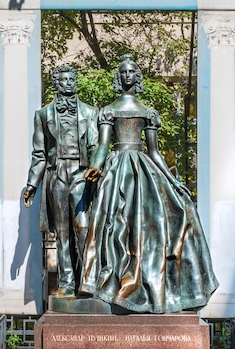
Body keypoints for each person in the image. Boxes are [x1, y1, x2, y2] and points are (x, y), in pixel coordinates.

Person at [81, 54, 218, 313]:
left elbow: (154, 152)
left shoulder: (148, 113)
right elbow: (102, 146)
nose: (127, 76)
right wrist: (96, 167)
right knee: (114, 225)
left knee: (177, 211)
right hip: (116, 169)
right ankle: (113, 283)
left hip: (143, 170)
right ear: (118, 77)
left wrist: (172, 181)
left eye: (131, 71)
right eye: (123, 72)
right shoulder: (109, 111)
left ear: (137, 76)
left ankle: (154, 285)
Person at [23, 65, 98, 297]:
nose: (69, 83)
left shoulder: (89, 112)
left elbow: (95, 145)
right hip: (57, 174)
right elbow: (39, 153)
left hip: (81, 172)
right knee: (62, 232)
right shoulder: (43, 115)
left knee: (83, 226)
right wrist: (32, 184)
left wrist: (96, 167)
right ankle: (66, 282)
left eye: (72, 79)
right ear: (57, 83)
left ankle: (88, 279)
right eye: (64, 80)